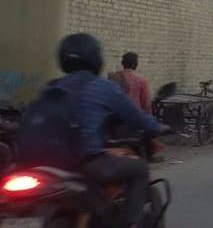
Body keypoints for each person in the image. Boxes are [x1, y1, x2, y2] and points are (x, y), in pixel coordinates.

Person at [50, 34, 165, 227]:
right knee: (139, 168)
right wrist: (156, 126)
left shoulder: (53, 86)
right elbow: (141, 110)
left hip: (53, 160)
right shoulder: (106, 86)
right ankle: (131, 223)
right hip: (120, 130)